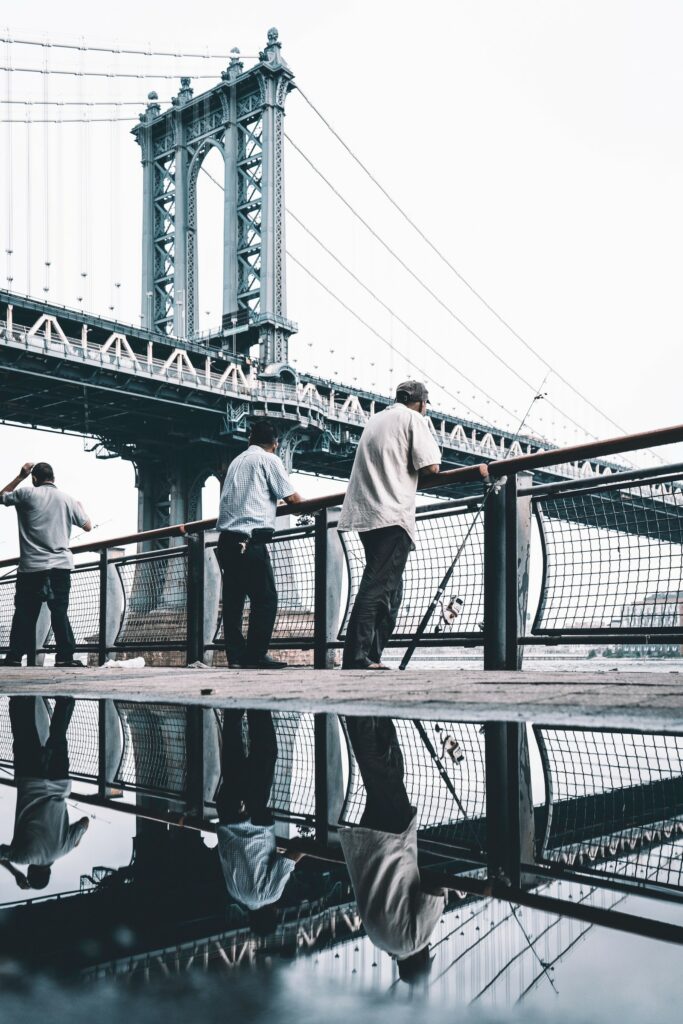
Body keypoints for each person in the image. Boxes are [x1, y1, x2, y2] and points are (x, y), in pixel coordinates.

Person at [337, 381, 441, 669]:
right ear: (419, 402)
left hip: (365, 514)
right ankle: (358, 658)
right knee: (378, 587)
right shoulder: (412, 419)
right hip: (391, 514)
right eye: (426, 403)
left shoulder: (376, 420)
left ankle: (372, 656)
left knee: (391, 589)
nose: (426, 408)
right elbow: (431, 466)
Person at [339, 715, 445, 983]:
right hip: (370, 843)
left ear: (421, 960)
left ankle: (358, 712)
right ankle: (374, 710)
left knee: (381, 772)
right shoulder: (379, 941)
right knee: (388, 774)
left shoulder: (414, 942)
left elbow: (436, 891)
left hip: (394, 841)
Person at [216, 420, 302, 669]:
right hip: (249, 541)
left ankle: (235, 656)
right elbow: (292, 497)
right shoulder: (269, 460)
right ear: (275, 444)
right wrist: (315, 509)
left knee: (233, 601)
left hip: (227, 541)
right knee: (265, 599)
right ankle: (255, 655)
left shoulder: (237, 461)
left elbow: (250, 498)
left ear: (250, 440)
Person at [215, 708, 304, 935]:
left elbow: (291, 856)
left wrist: (309, 849)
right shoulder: (235, 893)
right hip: (227, 812)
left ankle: (258, 705)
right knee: (233, 758)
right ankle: (234, 706)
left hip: (251, 817)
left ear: (272, 914)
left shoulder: (269, 896)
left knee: (265, 752)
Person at [0, 462, 92, 668]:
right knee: (59, 611)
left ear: (34, 479)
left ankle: (14, 656)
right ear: (54, 478)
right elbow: (87, 526)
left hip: (31, 567)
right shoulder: (67, 499)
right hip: (60, 566)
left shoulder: (26, 493)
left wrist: (19, 476)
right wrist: (80, 507)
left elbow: (0, 496)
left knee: (24, 612)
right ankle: (65, 657)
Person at [0, 696, 89, 890]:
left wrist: (76, 841)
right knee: (24, 737)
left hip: (59, 784)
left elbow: (85, 822)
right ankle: (21, 697)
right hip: (30, 782)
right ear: (31, 870)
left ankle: (65, 701)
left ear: (49, 871)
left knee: (57, 739)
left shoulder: (63, 850)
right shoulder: (22, 857)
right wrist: (15, 873)